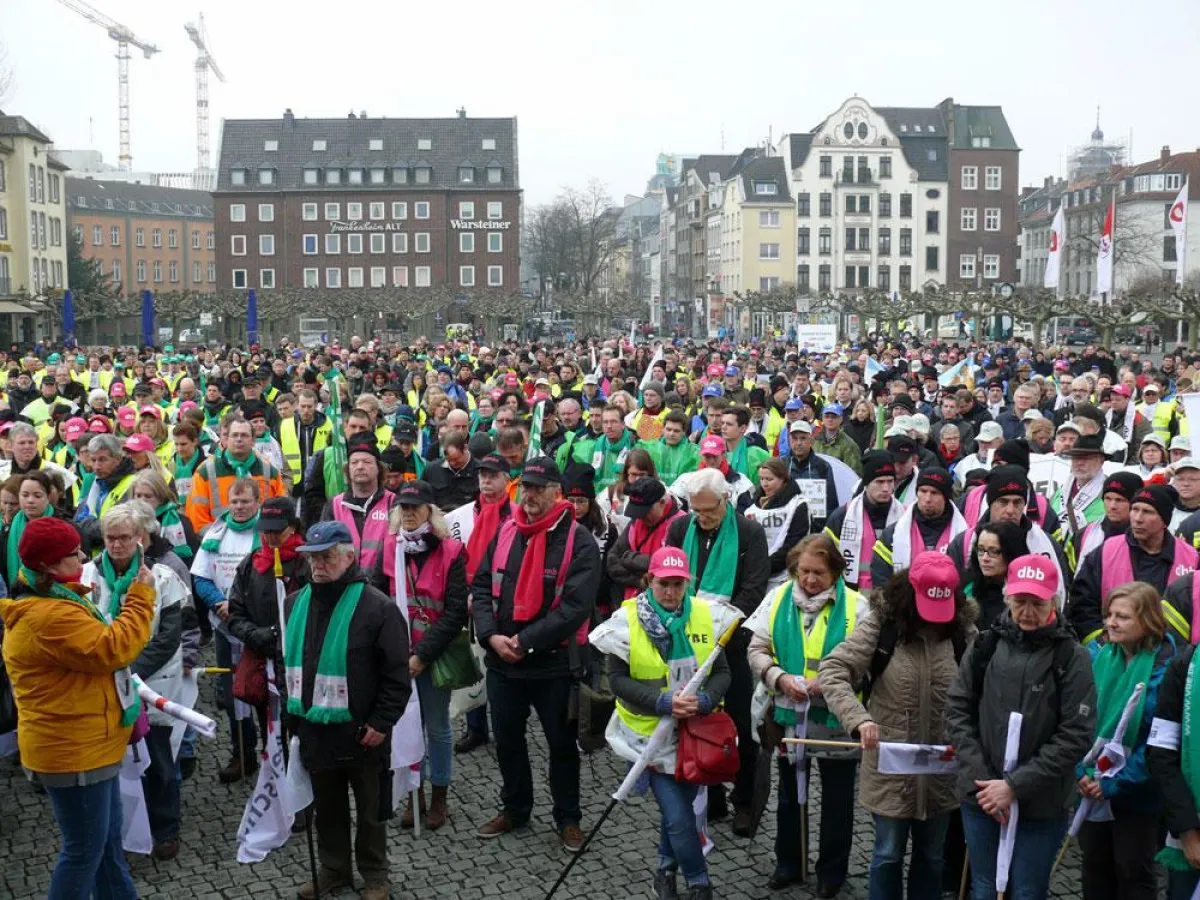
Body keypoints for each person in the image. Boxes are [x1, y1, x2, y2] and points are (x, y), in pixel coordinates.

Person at [0, 516, 154, 900]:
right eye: (73, 554)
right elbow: (114, 648)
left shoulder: (54, 597)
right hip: (75, 753)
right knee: (84, 852)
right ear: (49, 566)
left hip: (89, 746)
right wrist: (140, 597)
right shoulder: (49, 615)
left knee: (105, 850)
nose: (84, 556)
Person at [820, 552, 977, 900]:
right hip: (890, 769)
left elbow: (983, 689)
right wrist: (859, 720)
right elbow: (833, 671)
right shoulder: (882, 625)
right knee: (887, 854)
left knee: (932, 855)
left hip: (941, 771)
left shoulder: (964, 633)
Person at [589, 545, 740, 900]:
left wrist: (703, 701)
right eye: (663, 585)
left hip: (694, 735)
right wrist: (661, 701)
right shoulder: (624, 622)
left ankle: (664, 870)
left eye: (678, 584)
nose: (671, 593)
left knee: (680, 812)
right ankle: (700, 883)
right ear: (649, 581)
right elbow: (619, 681)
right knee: (676, 814)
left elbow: (723, 671)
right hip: (649, 739)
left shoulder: (707, 615)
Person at [946, 554, 1096, 900]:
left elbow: (1076, 733)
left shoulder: (1072, 658)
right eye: (1020, 601)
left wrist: (1014, 786)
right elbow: (957, 709)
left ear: (1054, 602)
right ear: (1007, 599)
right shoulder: (984, 645)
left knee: (1027, 890)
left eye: (1037, 603)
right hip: (981, 794)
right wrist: (985, 782)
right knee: (984, 886)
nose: (1027, 611)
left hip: (1041, 802)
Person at [470, 456, 600, 850]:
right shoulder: (508, 530)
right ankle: (516, 807)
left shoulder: (579, 540)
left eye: (537, 489)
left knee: (560, 744)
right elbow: (480, 586)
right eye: (524, 487)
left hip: (554, 664)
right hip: (502, 661)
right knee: (508, 740)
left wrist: (524, 642)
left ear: (556, 493)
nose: (528, 495)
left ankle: (568, 817)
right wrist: (491, 636)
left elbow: (574, 608)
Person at [284, 521, 411, 900]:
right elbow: (287, 664)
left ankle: (375, 875)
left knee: (371, 810)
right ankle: (334, 869)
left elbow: (396, 676)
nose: (318, 565)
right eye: (312, 558)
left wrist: (381, 722)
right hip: (315, 728)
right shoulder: (294, 604)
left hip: (363, 732)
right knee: (328, 807)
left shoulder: (379, 609)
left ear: (349, 557)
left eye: (327, 557)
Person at [745, 533, 868, 896]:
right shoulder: (778, 597)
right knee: (789, 793)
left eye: (819, 573)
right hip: (787, 713)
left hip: (836, 718)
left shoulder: (858, 607)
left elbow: (865, 663)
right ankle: (789, 862)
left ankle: (832, 871)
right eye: (804, 572)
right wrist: (777, 677)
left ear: (835, 572)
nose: (811, 580)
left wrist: (825, 685)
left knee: (837, 799)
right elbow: (757, 648)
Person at [82, 502, 189, 861]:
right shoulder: (86, 578)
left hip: (154, 681)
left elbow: (169, 636)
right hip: (103, 683)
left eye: (124, 538)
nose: (116, 545)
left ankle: (165, 828)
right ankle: (123, 830)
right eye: (110, 539)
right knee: (113, 763)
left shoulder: (161, 578)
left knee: (159, 760)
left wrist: (130, 671)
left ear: (139, 539)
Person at [665, 466, 769, 833]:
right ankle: (708, 796)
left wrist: (720, 629)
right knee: (696, 720)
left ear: (726, 500)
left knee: (739, 722)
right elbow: (669, 576)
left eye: (709, 511)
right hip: (688, 642)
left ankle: (744, 801)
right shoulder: (680, 528)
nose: (703, 518)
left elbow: (754, 589)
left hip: (732, 643)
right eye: (697, 511)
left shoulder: (749, 532)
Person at [1076, 582, 1176, 900]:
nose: (1111, 623)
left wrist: (1112, 782)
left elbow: (1158, 743)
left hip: (1138, 794)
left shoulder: (1167, 668)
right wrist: (1083, 771)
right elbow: (1080, 719)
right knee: (1095, 865)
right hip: (1091, 784)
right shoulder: (1101, 656)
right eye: (1109, 615)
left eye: (1122, 617)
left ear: (1147, 621)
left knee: (1132, 870)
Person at [190, 476, 264, 781]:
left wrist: (242, 610)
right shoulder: (215, 533)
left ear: (258, 502)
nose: (240, 507)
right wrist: (220, 603)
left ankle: (272, 750)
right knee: (233, 691)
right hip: (224, 626)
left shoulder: (266, 533)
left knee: (262, 690)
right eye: (235, 501)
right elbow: (200, 577)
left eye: (246, 501)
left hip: (257, 627)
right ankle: (242, 752)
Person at [1071, 484, 1199, 646]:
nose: (1137, 518)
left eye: (1147, 512)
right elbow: (1082, 605)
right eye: (1135, 509)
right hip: (1113, 653)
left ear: (1164, 520)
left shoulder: (1191, 558)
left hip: (1169, 659)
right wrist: (1100, 644)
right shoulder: (1106, 551)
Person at [186, 415, 286, 535]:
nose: (239, 439)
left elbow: (282, 512)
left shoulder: (269, 470)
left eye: (244, 435)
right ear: (226, 439)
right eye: (234, 435)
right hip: (218, 545)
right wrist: (225, 539)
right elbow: (197, 520)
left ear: (253, 440)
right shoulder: (205, 472)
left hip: (261, 544)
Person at [869, 468, 967, 587]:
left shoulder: (964, 537)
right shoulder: (893, 534)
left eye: (934, 493)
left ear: (946, 497)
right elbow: (880, 578)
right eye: (923, 491)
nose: (927, 499)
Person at [321, 433, 395, 589]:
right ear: (348, 469)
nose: (360, 466)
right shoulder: (334, 505)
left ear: (378, 468)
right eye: (354, 462)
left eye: (367, 462)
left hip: (383, 593)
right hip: (342, 590)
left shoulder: (393, 503)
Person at [823, 450, 902, 593]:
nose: (886, 488)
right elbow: (825, 559)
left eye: (890, 481)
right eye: (879, 482)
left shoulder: (905, 517)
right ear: (866, 483)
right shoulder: (842, 517)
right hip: (850, 601)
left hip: (892, 601)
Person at [608, 476, 686, 601]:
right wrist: (641, 581)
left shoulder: (681, 524)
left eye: (645, 511)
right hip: (631, 601)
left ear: (662, 503)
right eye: (636, 512)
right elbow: (612, 560)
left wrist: (631, 559)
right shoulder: (636, 522)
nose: (640, 517)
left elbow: (671, 570)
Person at [744, 456, 811, 590]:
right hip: (757, 575)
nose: (764, 484)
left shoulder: (798, 504)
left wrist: (766, 567)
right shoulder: (752, 507)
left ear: (783, 479)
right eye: (762, 479)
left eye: (769, 479)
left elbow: (795, 543)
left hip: (785, 575)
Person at [961, 521, 1031, 631]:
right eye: (980, 550)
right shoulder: (966, 584)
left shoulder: (1025, 593)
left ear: (1011, 553)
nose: (985, 558)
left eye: (993, 551)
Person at [1068, 472, 1143, 572]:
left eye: (1120, 500)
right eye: (1108, 499)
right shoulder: (1083, 536)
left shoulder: (1147, 538)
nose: (1112, 506)